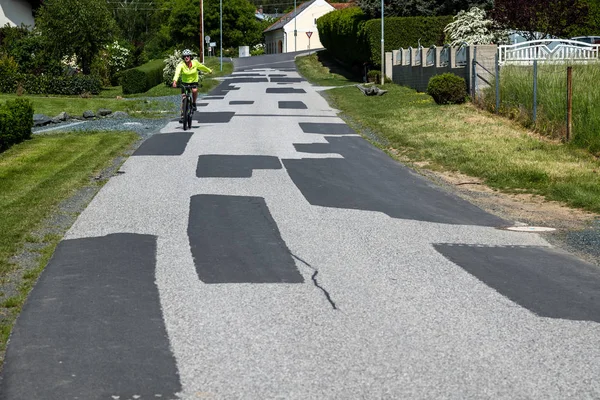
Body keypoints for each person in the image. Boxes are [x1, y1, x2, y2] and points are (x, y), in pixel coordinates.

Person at [172, 49, 213, 121]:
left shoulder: (195, 63)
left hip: (194, 81)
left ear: (190, 57)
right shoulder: (181, 65)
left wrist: (209, 70)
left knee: (194, 90)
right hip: (185, 82)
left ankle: (194, 103)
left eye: (188, 56)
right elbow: (177, 73)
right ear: (183, 58)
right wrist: (175, 81)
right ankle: (182, 115)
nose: (186, 57)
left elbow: (202, 67)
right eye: (185, 56)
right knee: (184, 97)